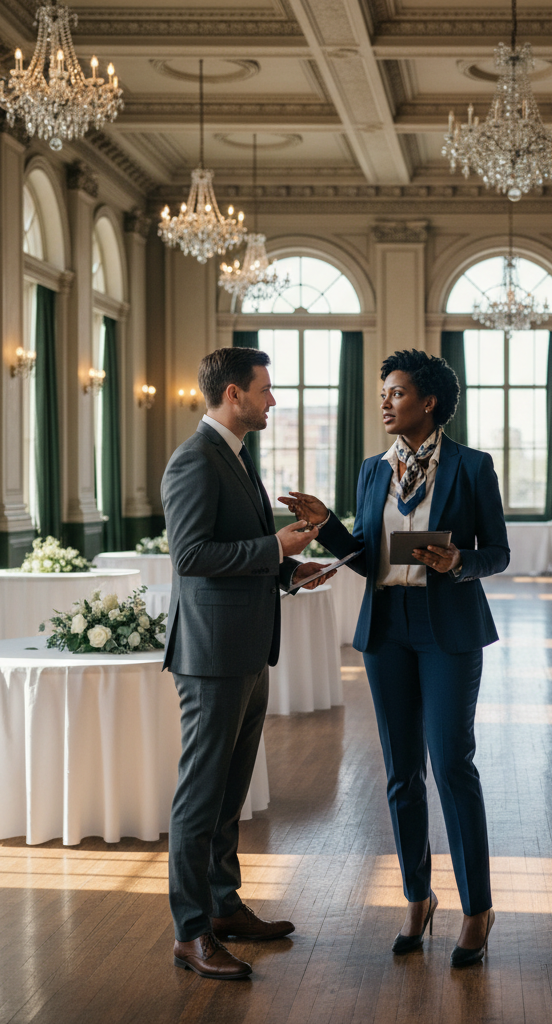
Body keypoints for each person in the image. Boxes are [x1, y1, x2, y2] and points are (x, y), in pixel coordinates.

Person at [280, 349, 509, 967]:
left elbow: (499, 553)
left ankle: (478, 908)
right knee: (401, 773)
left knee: (453, 765)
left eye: (397, 392)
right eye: (383, 392)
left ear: (428, 402)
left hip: (448, 631)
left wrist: (459, 561)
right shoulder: (372, 470)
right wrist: (328, 525)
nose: (385, 401)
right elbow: (364, 553)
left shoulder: (472, 467)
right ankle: (417, 897)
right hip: (387, 630)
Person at [162, 347, 331, 980]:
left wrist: (289, 569)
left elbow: (239, 553)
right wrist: (272, 546)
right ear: (233, 395)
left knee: (230, 793)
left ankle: (224, 907)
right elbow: (191, 556)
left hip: (247, 648)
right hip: (210, 655)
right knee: (200, 797)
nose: (273, 400)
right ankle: (189, 931)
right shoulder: (194, 461)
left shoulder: (233, 457)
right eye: (265, 389)